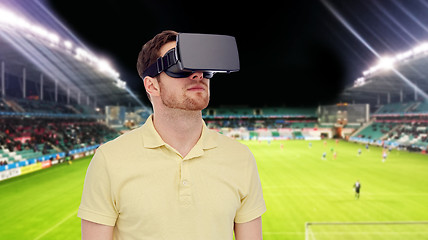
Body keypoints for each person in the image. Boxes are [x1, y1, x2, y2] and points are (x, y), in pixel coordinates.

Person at [77, 30, 266, 240]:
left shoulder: (240, 158)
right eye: (180, 66)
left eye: (202, 66)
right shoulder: (109, 160)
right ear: (151, 85)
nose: (198, 74)